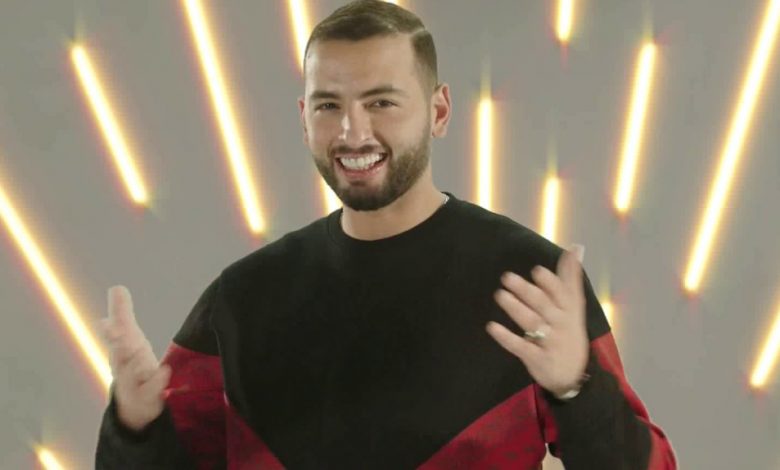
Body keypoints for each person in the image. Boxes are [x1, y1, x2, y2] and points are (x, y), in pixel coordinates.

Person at [96, 1, 677, 468]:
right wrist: (136, 426)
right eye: (329, 105)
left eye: (381, 102)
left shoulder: (532, 283)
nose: (353, 132)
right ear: (303, 118)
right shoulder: (242, 298)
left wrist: (577, 389)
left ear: (439, 111)